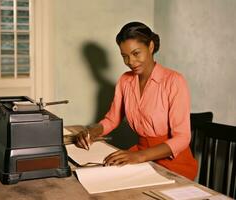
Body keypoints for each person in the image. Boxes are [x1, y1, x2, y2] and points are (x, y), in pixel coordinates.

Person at [69, 21, 198, 180]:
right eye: (125, 56)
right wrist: (91, 132)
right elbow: (112, 119)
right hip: (141, 157)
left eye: (136, 53)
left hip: (174, 164)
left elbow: (182, 138)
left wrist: (140, 156)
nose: (131, 62)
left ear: (150, 47)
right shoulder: (125, 81)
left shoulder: (174, 81)